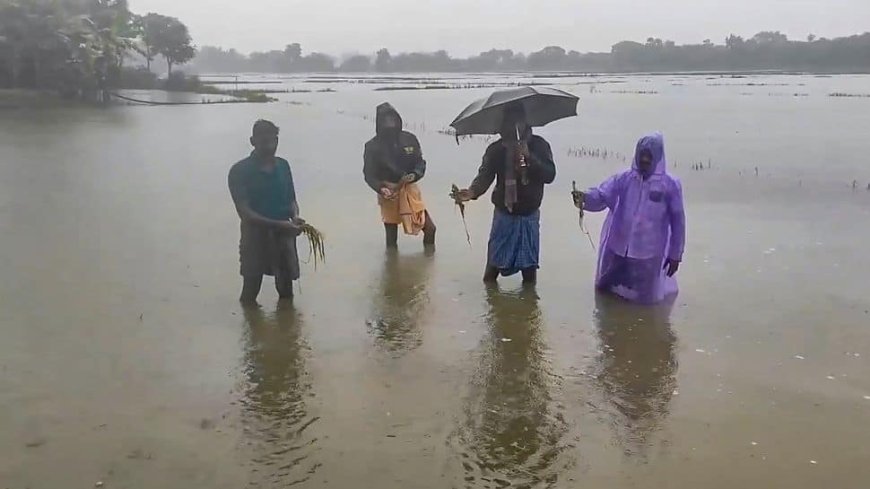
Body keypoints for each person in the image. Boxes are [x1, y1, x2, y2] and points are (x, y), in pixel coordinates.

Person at [572, 132, 686, 304]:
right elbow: (602, 195)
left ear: (658, 156)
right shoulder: (624, 179)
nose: (645, 160)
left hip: (648, 254)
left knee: (645, 303)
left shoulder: (670, 185)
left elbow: (678, 222)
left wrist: (675, 254)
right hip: (617, 249)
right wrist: (584, 198)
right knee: (606, 294)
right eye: (642, 155)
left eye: (649, 156)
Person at [455, 104, 557, 284]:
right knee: (492, 269)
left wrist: (530, 158)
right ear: (503, 125)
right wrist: (472, 192)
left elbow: (550, 175)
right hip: (504, 214)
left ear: (526, 123)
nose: (515, 127)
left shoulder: (539, 145)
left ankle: (528, 308)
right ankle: (491, 307)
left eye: (519, 122)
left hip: (529, 214)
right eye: (510, 122)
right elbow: (485, 175)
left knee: (529, 270)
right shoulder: (496, 150)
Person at [228, 120, 305, 304]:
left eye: (273, 141)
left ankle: (287, 330)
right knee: (251, 288)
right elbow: (245, 213)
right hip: (255, 236)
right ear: (252, 141)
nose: (270, 146)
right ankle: (251, 328)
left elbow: (291, 200)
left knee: (286, 291)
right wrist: (279, 224)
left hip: (284, 234)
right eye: (264, 141)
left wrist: (294, 216)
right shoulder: (239, 171)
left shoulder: (283, 165)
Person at [363, 103, 436, 249]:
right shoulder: (372, 146)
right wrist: (381, 188)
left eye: (392, 118)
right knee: (391, 237)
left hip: (409, 188)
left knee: (430, 229)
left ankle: (428, 259)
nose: (390, 123)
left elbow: (420, 163)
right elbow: (369, 175)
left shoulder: (409, 139)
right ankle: (392, 266)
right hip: (389, 192)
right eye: (385, 119)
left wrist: (414, 175)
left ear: (398, 119)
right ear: (379, 122)